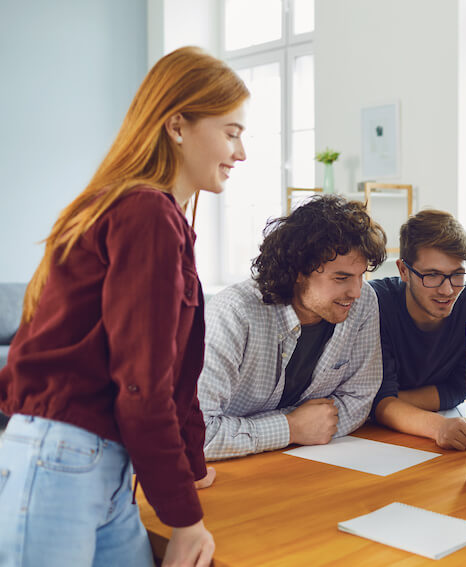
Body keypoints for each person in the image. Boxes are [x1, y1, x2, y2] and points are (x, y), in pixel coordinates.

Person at [0, 46, 248, 567]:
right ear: (178, 125)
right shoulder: (145, 213)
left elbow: (172, 372)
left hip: (104, 462)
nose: (241, 152)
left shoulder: (153, 214)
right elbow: (142, 383)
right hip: (65, 454)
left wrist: (189, 466)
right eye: (231, 131)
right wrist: (184, 518)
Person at [198, 195, 386, 460]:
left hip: (310, 462)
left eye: (361, 276)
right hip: (230, 471)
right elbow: (197, 434)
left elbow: (358, 401)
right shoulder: (234, 313)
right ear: (299, 271)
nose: (355, 291)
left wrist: (293, 430)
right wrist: (291, 428)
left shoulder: (363, 301)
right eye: (341, 278)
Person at [369, 210, 466, 450]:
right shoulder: (375, 303)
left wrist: (389, 404)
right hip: (372, 439)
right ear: (403, 271)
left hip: (419, 431)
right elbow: (376, 400)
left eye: (457, 275)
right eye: (432, 275)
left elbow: (461, 387)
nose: (448, 290)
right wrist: (438, 426)